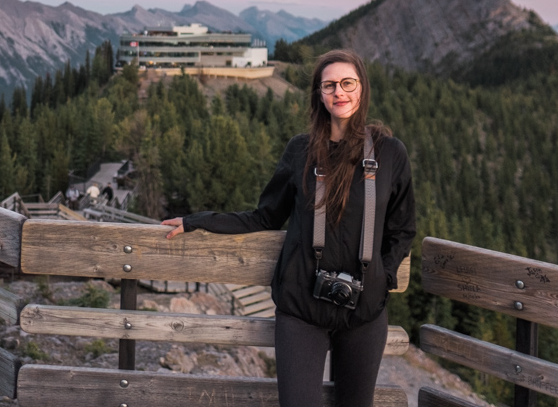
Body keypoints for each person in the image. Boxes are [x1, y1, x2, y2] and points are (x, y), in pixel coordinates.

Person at [162, 49, 415, 407]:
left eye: (347, 83)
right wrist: (196, 221)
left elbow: (402, 229)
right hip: (301, 308)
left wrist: (381, 277)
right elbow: (264, 216)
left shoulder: (390, 153)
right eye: (329, 85)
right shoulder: (301, 150)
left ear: (362, 89)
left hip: (363, 312)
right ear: (318, 94)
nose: (338, 93)